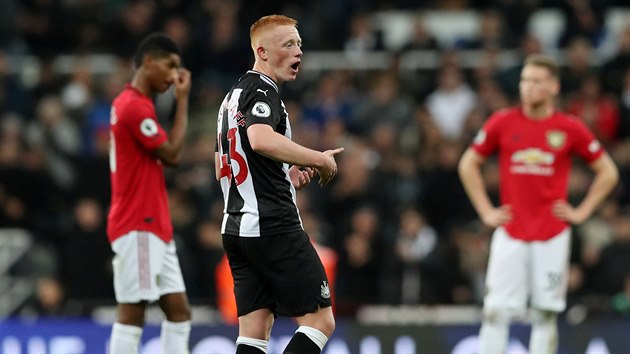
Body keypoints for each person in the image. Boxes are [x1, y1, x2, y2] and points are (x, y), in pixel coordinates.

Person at [458, 54, 619, 354]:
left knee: (544, 315)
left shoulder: (569, 128)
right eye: (525, 80)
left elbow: (608, 172)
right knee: (495, 310)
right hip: (511, 231)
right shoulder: (503, 121)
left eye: (536, 81)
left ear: (554, 87)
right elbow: (468, 164)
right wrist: (485, 210)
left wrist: (581, 211)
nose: (528, 87)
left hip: (552, 233)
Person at [215, 14, 343, 354]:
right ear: (263, 52)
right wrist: (317, 158)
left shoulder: (231, 99)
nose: (298, 52)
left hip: (236, 227)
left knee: (255, 331)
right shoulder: (261, 89)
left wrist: (283, 173)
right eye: (288, 44)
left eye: (299, 44)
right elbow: (259, 139)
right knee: (320, 322)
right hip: (273, 225)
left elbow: (223, 166)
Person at [107, 33, 192, 354]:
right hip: (138, 223)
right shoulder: (133, 106)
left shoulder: (135, 105)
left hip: (153, 224)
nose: (173, 76)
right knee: (133, 311)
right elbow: (171, 155)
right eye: (170, 66)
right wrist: (183, 102)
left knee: (179, 312)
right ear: (148, 62)